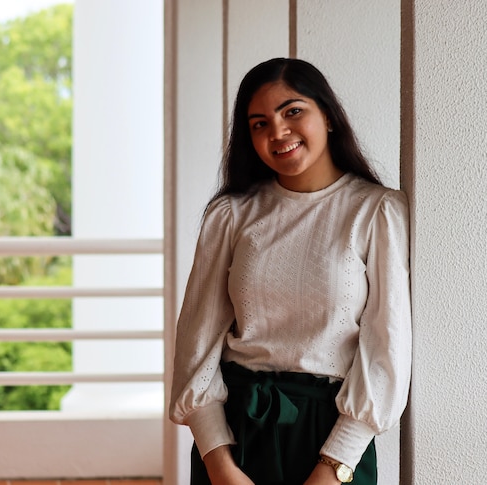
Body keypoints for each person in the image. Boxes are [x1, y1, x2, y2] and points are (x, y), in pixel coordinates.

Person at [169, 57, 412, 485]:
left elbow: (385, 346)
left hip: (331, 437)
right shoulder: (231, 214)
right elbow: (197, 341)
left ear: (329, 117)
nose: (278, 132)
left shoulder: (376, 210)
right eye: (259, 123)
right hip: (235, 432)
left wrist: (336, 464)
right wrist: (218, 461)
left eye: (293, 111)